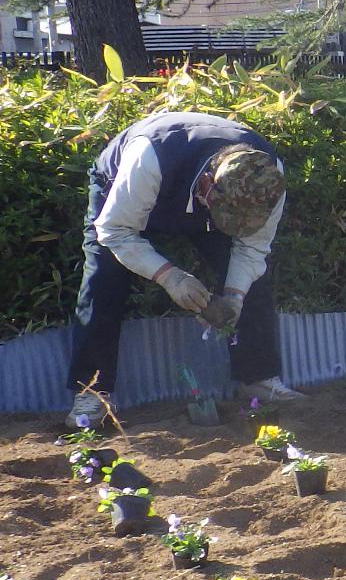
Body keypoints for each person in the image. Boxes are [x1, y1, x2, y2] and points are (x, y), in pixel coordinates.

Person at [65, 111, 298, 427]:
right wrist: (170, 277)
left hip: (196, 195)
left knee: (253, 281)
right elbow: (116, 231)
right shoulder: (149, 158)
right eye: (228, 218)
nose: (235, 227)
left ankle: (258, 378)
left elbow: (252, 248)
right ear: (206, 186)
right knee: (103, 281)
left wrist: (234, 297)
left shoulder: (269, 182)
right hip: (129, 196)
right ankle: (92, 394)